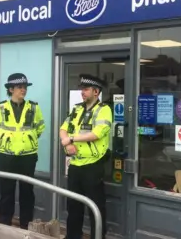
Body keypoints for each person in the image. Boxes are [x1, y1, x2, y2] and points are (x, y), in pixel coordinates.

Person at [0, 73, 45, 229]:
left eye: (25, 87)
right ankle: (4, 225)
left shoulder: (34, 107)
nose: (24, 90)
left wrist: (28, 141)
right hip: (6, 156)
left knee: (27, 192)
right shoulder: (0, 108)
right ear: (11, 89)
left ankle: (26, 226)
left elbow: (40, 128)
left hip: (27, 156)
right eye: (20, 87)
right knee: (7, 192)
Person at [60, 74, 112, 239]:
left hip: (93, 166)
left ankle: (98, 236)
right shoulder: (77, 109)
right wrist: (66, 143)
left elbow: (97, 134)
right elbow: (63, 128)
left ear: (96, 92)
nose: (82, 92)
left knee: (96, 207)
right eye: (82, 89)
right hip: (75, 165)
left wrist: (73, 138)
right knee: (73, 206)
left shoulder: (104, 110)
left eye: (86, 89)